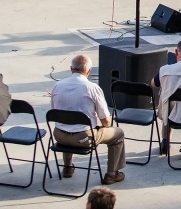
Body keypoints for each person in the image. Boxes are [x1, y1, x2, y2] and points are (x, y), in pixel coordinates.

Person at [50, 54, 126, 185]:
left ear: (71, 69)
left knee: (67, 122)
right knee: (118, 133)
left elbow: (54, 111)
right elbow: (106, 122)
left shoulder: (58, 86)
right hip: (83, 138)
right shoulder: (92, 88)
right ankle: (112, 173)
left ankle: (67, 167)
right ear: (89, 71)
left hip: (59, 135)